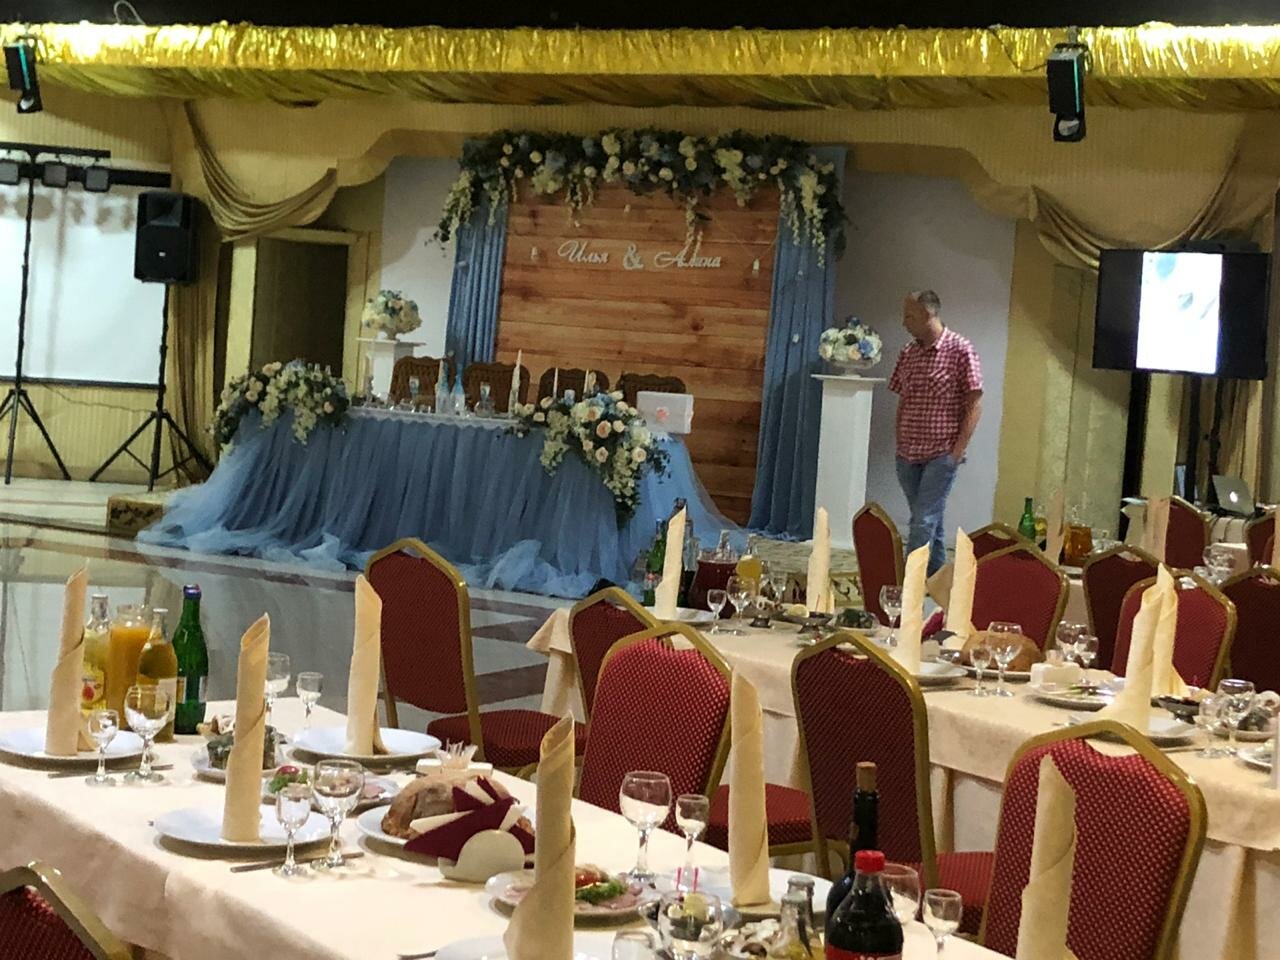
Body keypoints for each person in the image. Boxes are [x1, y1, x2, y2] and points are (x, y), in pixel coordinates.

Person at [888, 290, 983, 575]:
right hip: (907, 453)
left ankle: (909, 582)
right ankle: (937, 579)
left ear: (928, 315)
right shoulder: (908, 352)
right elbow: (902, 399)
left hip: (941, 453)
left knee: (923, 521)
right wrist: (899, 441)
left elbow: (974, 405)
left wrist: (956, 453)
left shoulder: (961, 349)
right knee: (931, 521)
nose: (904, 323)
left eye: (909, 316)